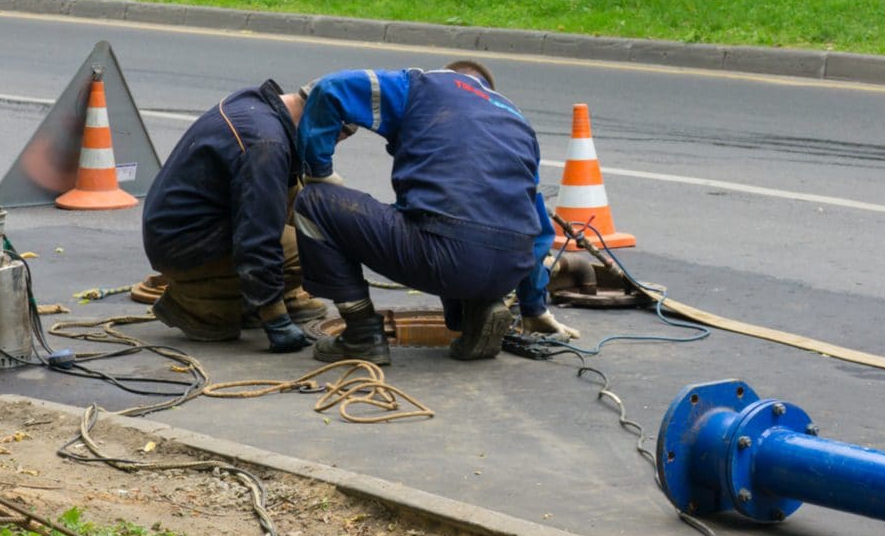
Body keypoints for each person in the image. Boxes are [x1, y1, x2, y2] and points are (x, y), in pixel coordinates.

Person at [292, 60, 579, 366]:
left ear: (448, 74)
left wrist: (318, 169)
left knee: (315, 202)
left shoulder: (421, 87)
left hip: (446, 256)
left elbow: (331, 88)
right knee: (462, 223)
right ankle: (478, 310)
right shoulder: (517, 122)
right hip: (509, 269)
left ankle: (362, 334)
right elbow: (540, 234)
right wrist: (534, 308)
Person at [141, 79, 328, 353]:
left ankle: (269, 295)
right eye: (335, 137)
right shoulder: (266, 144)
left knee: (309, 218)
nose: (332, 146)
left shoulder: (263, 110)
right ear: (321, 119)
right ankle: (200, 307)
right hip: (186, 246)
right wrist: (276, 320)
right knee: (319, 248)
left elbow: (287, 200)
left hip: (187, 231)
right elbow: (258, 238)